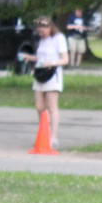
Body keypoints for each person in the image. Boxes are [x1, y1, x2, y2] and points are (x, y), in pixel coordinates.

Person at [28, 16, 69, 150]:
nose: (41, 33)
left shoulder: (59, 38)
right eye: (39, 31)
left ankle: (53, 137)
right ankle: (43, 133)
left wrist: (51, 63)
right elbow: (40, 57)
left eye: (43, 30)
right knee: (39, 106)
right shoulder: (40, 39)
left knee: (52, 106)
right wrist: (30, 58)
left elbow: (65, 60)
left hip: (52, 74)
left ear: (50, 27)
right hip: (40, 74)